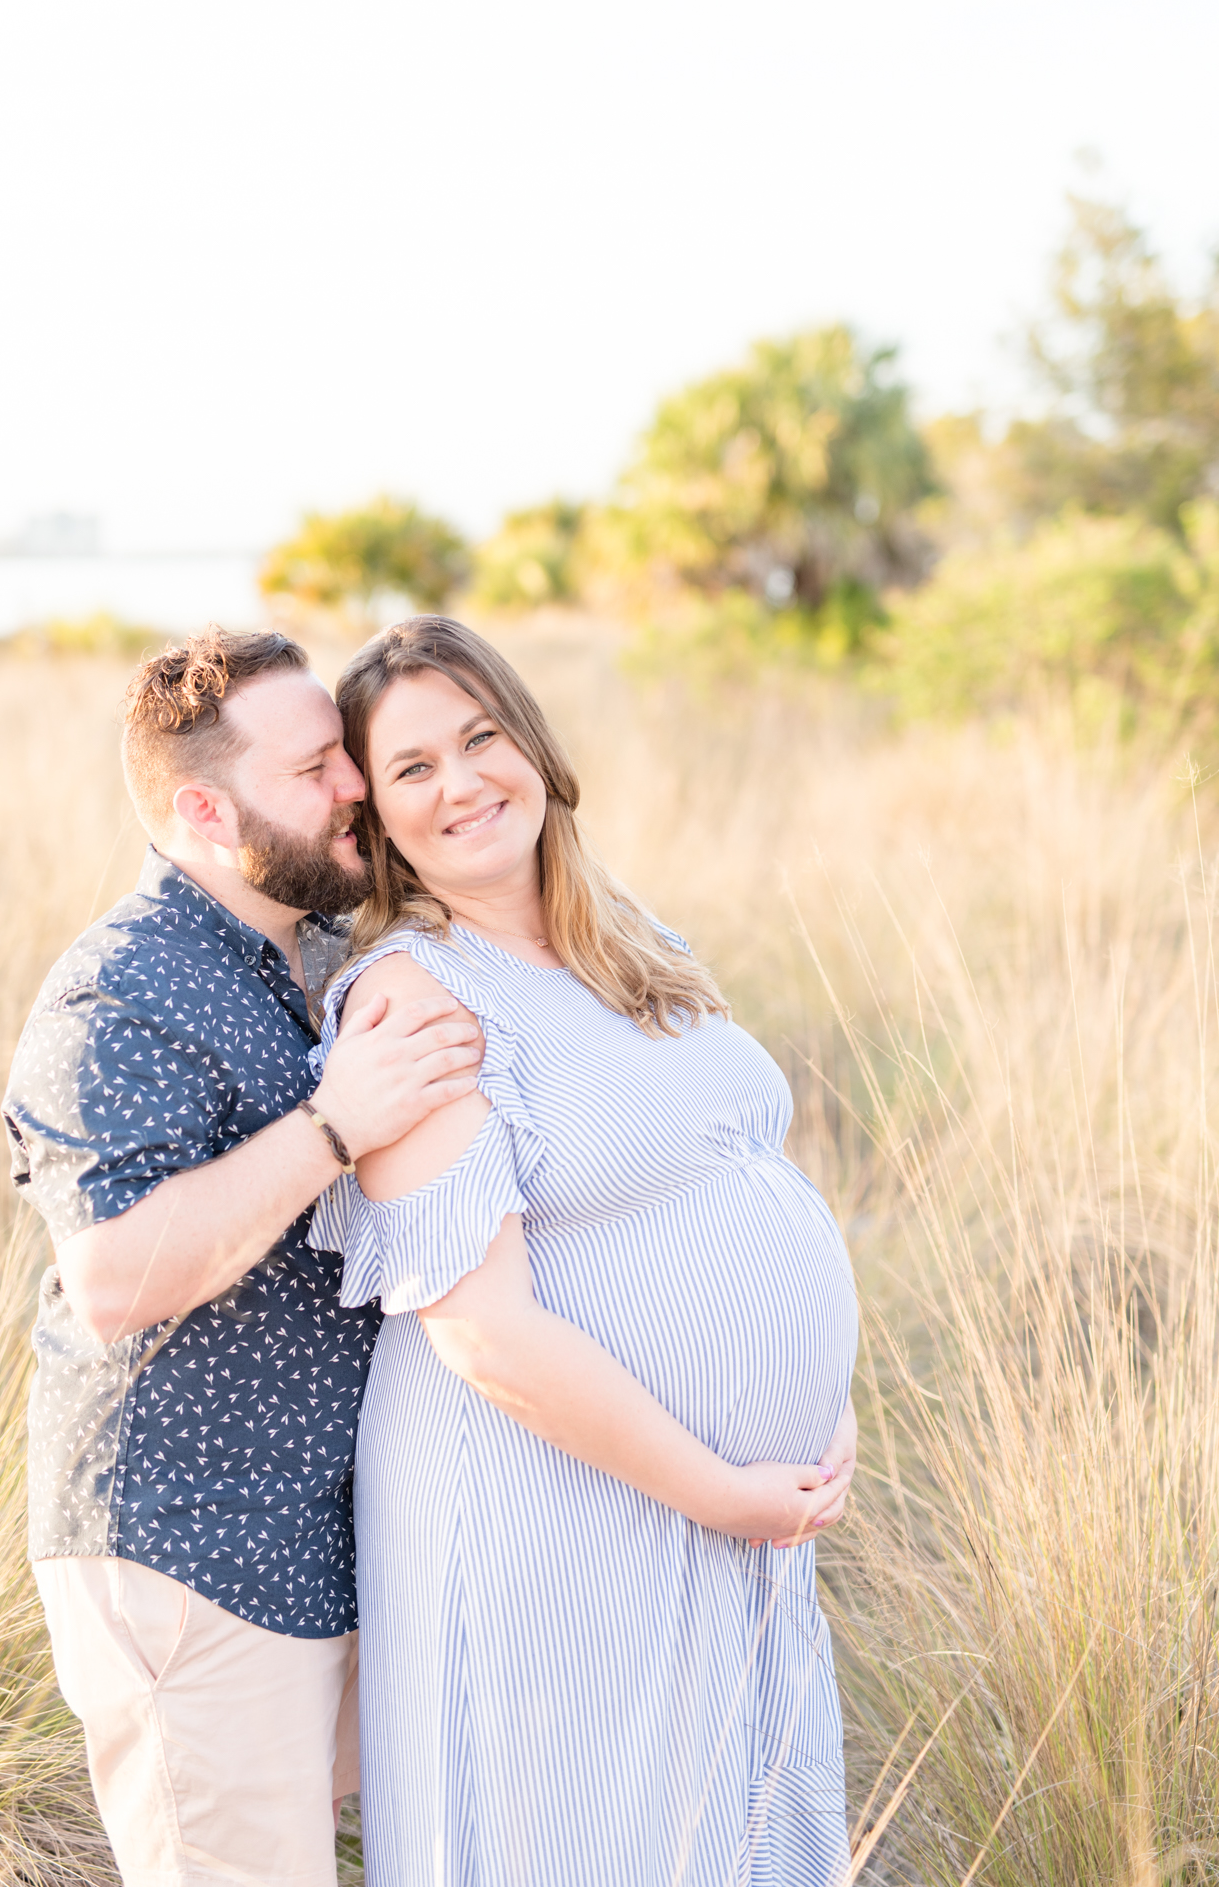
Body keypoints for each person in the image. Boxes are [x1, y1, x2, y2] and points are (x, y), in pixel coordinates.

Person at [314, 616, 861, 1887]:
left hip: (718, 1506)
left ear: (531, 743)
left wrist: (813, 1399)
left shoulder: (619, 935)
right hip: (546, 1512)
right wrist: (721, 1488)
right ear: (379, 820)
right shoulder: (417, 998)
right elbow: (482, 1332)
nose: (459, 783)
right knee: (577, 1835)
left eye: (478, 736)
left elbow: (736, 1170)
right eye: (410, 769)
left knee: (721, 1828)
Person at [2, 627, 484, 1887]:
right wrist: (333, 1126)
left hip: (319, 1534)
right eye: (318, 764)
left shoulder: (315, 949)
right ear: (207, 807)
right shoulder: (118, 993)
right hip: (186, 1551)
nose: (355, 787)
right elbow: (111, 1278)